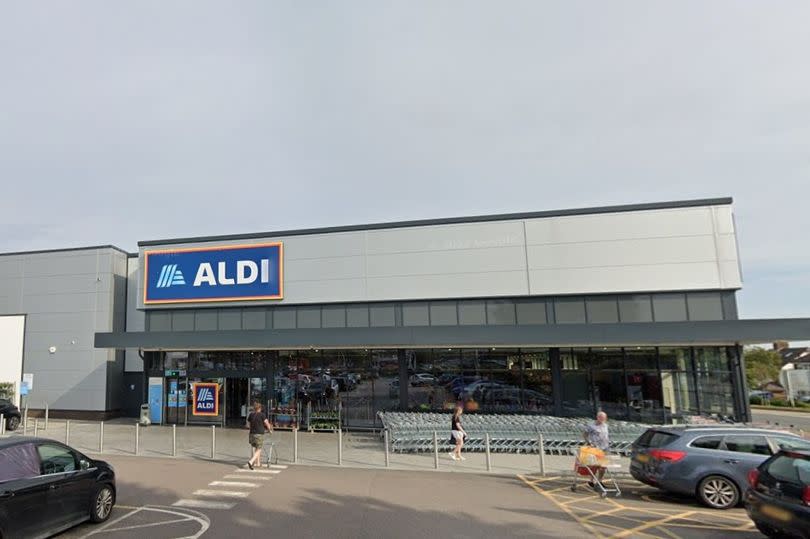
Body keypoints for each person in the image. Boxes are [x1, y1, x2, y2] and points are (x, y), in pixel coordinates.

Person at [583, 411, 609, 486]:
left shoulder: (605, 426)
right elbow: (585, 434)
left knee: (603, 466)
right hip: (595, 448)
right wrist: (588, 442)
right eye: (601, 418)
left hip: (605, 448)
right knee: (594, 465)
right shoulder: (591, 426)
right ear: (598, 417)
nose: (603, 420)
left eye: (604, 418)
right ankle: (591, 480)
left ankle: (600, 481)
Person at [246, 401, 273, 470]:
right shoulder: (262, 415)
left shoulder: (251, 414)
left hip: (251, 434)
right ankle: (251, 461)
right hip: (259, 434)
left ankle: (258, 463)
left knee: (255, 447)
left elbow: (247, 425)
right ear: (260, 408)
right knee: (259, 448)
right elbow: (267, 423)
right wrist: (270, 430)